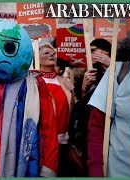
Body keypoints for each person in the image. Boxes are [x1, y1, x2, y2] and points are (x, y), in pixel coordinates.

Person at [0, 20, 58, 178]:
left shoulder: (35, 84)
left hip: (20, 161)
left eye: (9, 48)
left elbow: (48, 129)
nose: (0, 55)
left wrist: (48, 167)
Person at [87, 32, 130, 177]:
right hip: (120, 172)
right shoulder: (119, 70)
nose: (91, 55)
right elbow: (96, 124)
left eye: (94, 51)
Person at [67, 38, 112, 176]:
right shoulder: (90, 75)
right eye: (88, 52)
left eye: (93, 50)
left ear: (106, 51)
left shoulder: (121, 70)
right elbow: (81, 110)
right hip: (91, 136)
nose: (89, 55)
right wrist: (84, 90)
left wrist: (111, 66)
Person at [38, 43, 74, 177]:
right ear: (37, 58)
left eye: (53, 53)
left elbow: (73, 107)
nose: (52, 55)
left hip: (63, 140)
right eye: (46, 53)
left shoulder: (64, 81)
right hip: (43, 141)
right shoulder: (33, 81)